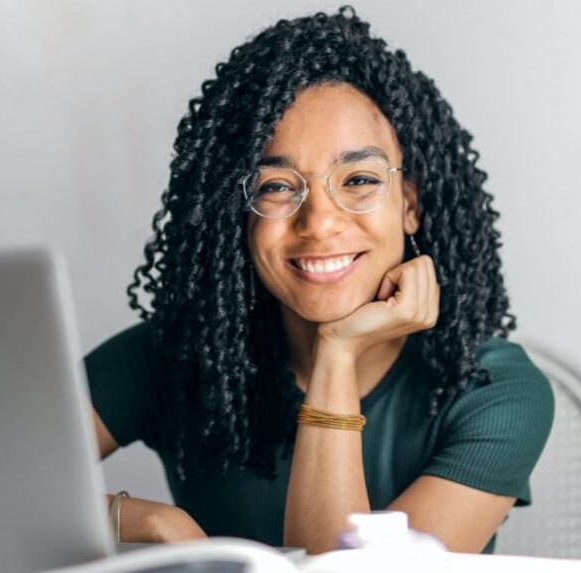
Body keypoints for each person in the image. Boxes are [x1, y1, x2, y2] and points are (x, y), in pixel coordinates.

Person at [84, 6, 554, 555]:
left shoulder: (492, 390)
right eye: (276, 187)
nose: (321, 222)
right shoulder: (174, 356)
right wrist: (149, 522)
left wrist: (338, 351)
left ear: (410, 204)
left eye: (358, 179)